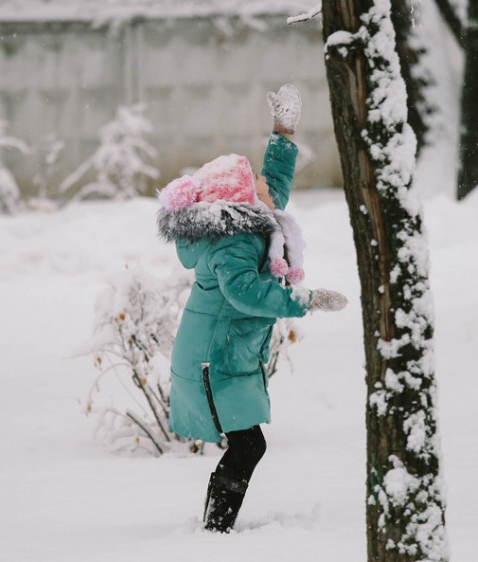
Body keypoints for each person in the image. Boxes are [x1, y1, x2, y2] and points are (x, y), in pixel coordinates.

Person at [156, 84, 347, 533]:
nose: (266, 185)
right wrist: (307, 300)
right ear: (242, 200)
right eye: (256, 183)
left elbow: (275, 183)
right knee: (248, 446)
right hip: (214, 359)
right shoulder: (235, 241)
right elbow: (245, 292)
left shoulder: (249, 220)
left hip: (221, 352)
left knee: (247, 446)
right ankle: (215, 530)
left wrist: (284, 131)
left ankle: (215, 526)